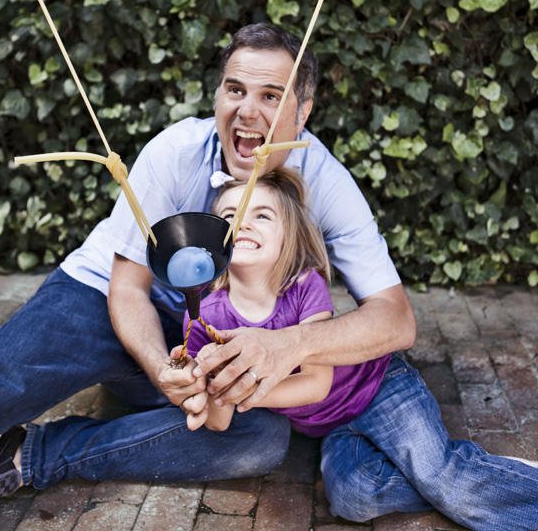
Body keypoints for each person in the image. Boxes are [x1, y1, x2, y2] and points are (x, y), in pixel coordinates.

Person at [0, 22, 415, 530]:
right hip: (106, 304)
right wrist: (157, 367)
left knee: (260, 440)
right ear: (218, 95)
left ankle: (27, 454)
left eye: (272, 96)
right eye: (235, 89)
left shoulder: (325, 181)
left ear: (303, 113)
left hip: (211, 336)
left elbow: (396, 321)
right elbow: (127, 287)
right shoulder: (175, 152)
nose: (247, 111)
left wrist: (289, 346)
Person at [185, 169, 538, 530]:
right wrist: (205, 388)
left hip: (379, 387)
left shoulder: (304, 285)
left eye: (262, 215)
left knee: (438, 475)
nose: (243, 223)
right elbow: (219, 420)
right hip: (331, 428)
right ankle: (484, 476)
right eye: (230, 216)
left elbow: (317, 384)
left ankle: (460, 478)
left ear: (286, 235)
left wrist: (235, 389)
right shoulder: (204, 317)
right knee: (352, 498)